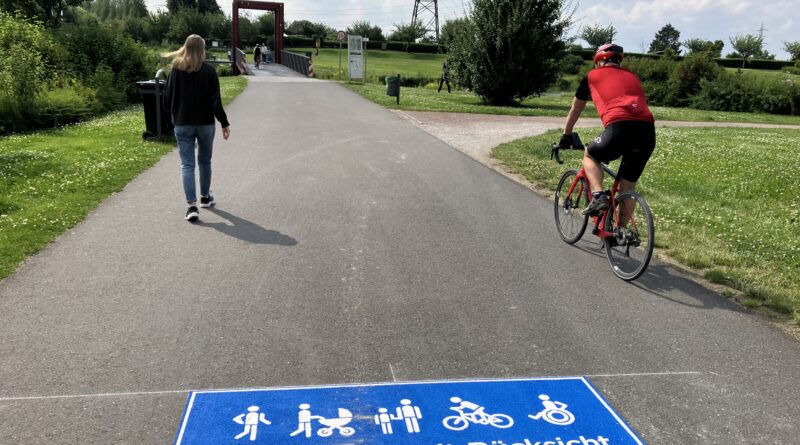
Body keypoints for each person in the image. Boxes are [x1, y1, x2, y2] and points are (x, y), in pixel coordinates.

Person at [560, 43, 655, 221]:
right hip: (647, 131)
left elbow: (576, 108)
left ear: (598, 62)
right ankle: (621, 234)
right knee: (628, 188)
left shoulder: (591, 76)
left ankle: (598, 196)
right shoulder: (632, 76)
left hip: (619, 128)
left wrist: (567, 134)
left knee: (590, 154)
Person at [163, 34, 231, 222]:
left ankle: (191, 206)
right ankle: (205, 197)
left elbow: (167, 101)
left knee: (187, 164)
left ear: (185, 47)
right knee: (204, 161)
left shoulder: (175, 70)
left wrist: (174, 112)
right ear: (202, 49)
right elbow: (215, 102)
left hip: (182, 123)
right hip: (205, 124)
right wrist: (224, 123)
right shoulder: (209, 71)